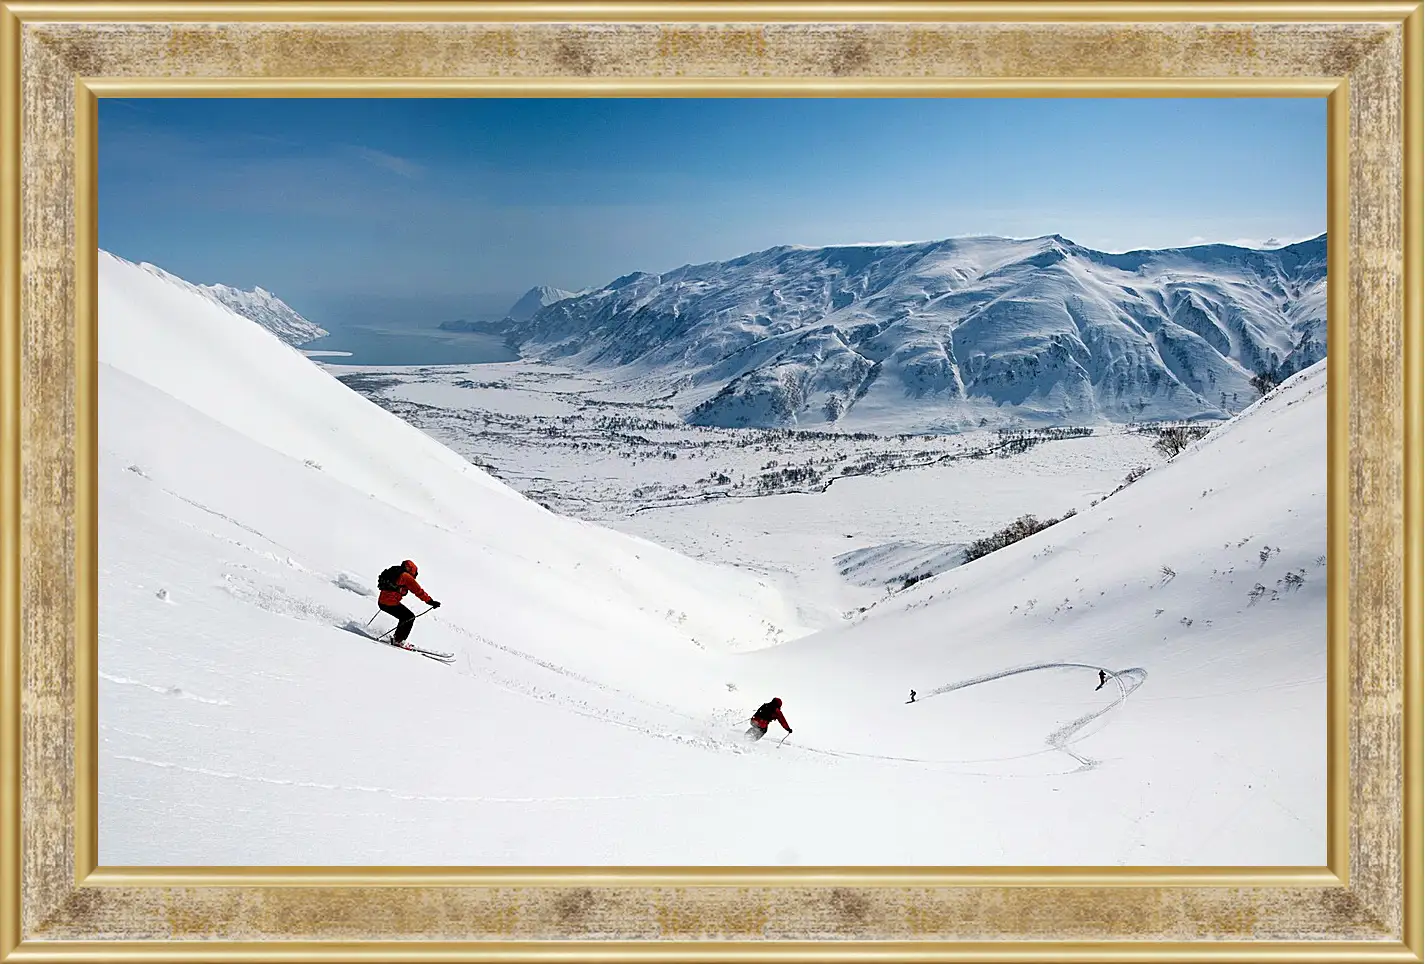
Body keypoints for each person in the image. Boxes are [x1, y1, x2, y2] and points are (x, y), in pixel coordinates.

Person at [377, 559, 440, 648]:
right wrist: (430, 601)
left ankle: (397, 639)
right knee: (409, 617)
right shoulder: (406, 576)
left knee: (405, 617)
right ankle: (399, 641)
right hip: (389, 603)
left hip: (382, 602)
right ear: (412, 571)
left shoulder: (395, 571)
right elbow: (418, 590)